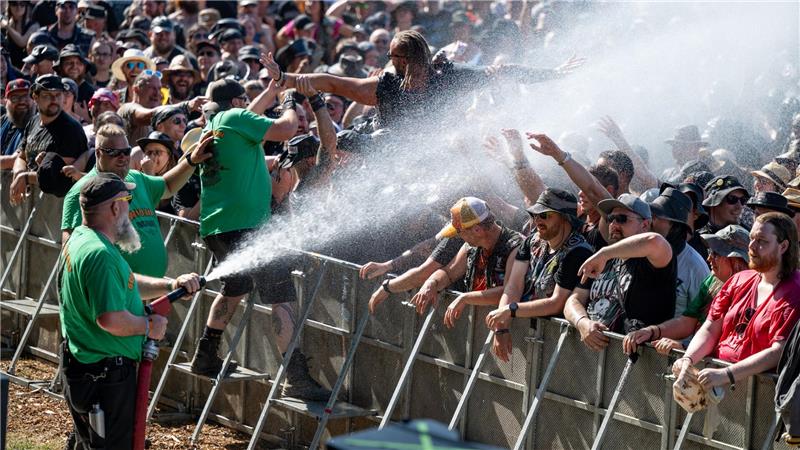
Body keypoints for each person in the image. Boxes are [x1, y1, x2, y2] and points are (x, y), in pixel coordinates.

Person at [59, 171, 202, 450]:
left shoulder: (83, 239)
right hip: (104, 375)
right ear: (115, 207)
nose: (130, 205)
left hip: (89, 368)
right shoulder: (100, 255)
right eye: (127, 199)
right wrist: (148, 326)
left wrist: (170, 284)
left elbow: (127, 284)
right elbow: (110, 319)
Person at [188, 77, 300, 379]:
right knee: (281, 295)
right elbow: (288, 128)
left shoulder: (215, 124)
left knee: (235, 287)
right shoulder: (237, 117)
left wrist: (272, 88)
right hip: (248, 227)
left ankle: (205, 354)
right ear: (238, 103)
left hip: (218, 227)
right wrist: (289, 102)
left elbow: (247, 117)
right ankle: (296, 375)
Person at [261, 30, 583, 130]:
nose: (395, 64)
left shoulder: (449, 80)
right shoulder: (384, 87)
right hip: (388, 155)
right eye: (392, 57)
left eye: (401, 58)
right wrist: (285, 77)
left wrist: (552, 73)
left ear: (419, 57)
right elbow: (331, 82)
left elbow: (503, 72)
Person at [61, 123, 210, 279]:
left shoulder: (136, 178)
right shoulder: (83, 191)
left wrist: (192, 160)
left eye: (126, 152)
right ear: (98, 154)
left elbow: (167, 185)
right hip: (113, 292)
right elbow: (70, 252)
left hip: (147, 290)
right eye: (113, 153)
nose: (123, 158)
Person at [671, 213, 800, 391]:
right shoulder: (739, 280)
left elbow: (778, 351)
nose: (752, 246)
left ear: (783, 246)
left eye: (762, 240)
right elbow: (710, 328)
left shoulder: (795, 291)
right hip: (718, 385)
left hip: (760, 394)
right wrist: (688, 358)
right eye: (752, 238)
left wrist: (727, 374)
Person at [484, 189, 593, 361]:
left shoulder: (577, 252)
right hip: (526, 332)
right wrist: (501, 327)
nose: (537, 220)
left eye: (545, 215)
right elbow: (514, 286)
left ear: (565, 218)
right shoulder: (532, 241)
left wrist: (510, 310)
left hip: (559, 346)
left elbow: (556, 303)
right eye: (534, 214)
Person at [564, 193, 675, 350]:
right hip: (592, 358)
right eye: (611, 219)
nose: (614, 224)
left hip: (638, 362)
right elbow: (573, 300)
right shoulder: (605, 260)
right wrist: (582, 322)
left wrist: (604, 253)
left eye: (622, 219)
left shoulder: (653, 259)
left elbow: (654, 241)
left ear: (644, 225)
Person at [627, 225, 751, 355]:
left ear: (737, 261)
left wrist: (685, 347)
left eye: (716, 254)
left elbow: (731, 344)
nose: (709, 259)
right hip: (698, 362)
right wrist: (652, 331)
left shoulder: (751, 293)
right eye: (709, 252)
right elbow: (687, 321)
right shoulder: (712, 282)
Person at [409, 197, 522, 318]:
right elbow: (448, 273)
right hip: (479, 324)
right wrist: (431, 283)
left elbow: (509, 292)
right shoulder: (471, 246)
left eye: (460, 232)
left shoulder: (516, 247)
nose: (459, 237)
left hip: (510, 329)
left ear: (477, 230)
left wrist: (465, 298)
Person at [10, 74, 86, 205]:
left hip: (56, 209)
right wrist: (19, 174)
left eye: (58, 95)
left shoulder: (70, 129)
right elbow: (22, 157)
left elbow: (60, 175)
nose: (54, 99)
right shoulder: (33, 121)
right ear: (35, 97)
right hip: (30, 205)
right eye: (47, 95)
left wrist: (25, 177)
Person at [0, 79, 34, 169]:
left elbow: (15, 160)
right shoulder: (4, 120)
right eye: (15, 98)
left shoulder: (38, 125)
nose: (22, 101)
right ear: (6, 101)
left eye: (26, 97)